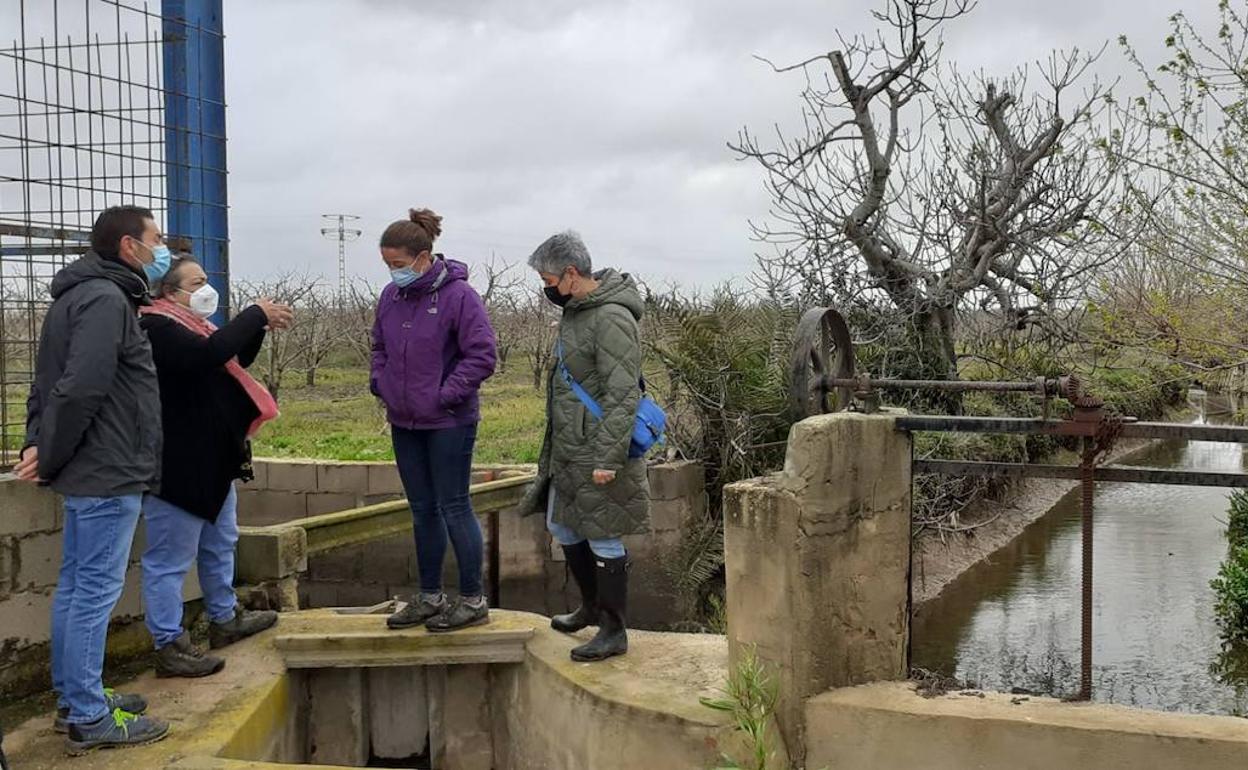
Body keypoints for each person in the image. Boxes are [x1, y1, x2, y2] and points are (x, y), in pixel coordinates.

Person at [16, 205, 171, 754]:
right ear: (130, 246)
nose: (163, 250)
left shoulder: (75, 297)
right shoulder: (107, 301)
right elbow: (80, 387)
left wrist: (39, 442)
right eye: (157, 240)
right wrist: (49, 453)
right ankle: (88, 716)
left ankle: (75, 698)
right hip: (107, 470)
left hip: (90, 468)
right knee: (93, 593)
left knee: (78, 587)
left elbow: (46, 381)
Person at [137, 256, 293, 677]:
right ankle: (168, 644)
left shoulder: (192, 326)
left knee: (220, 542)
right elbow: (209, 356)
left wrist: (256, 327)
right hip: (178, 466)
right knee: (169, 560)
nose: (207, 289)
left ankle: (225, 617)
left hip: (212, 459)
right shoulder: (154, 328)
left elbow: (233, 358)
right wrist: (253, 314)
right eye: (198, 282)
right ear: (170, 292)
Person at [516, 231, 650, 662]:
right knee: (565, 526)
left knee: (603, 534)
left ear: (571, 275)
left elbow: (622, 392)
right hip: (570, 446)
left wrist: (607, 458)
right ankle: (591, 607)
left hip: (597, 448)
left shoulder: (610, 317)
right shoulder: (577, 312)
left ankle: (613, 629)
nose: (546, 288)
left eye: (549, 280)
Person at [372, 208, 498, 632]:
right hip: (404, 422)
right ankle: (429, 596)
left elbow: (482, 355)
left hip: (449, 423)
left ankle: (472, 599)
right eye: (388, 265)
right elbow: (379, 347)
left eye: (399, 265)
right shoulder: (391, 298)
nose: (393, 273)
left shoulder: (459, 296)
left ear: (424, 257)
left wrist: (445, 396)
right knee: (422, 508)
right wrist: (381, 382)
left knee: (454, 506)